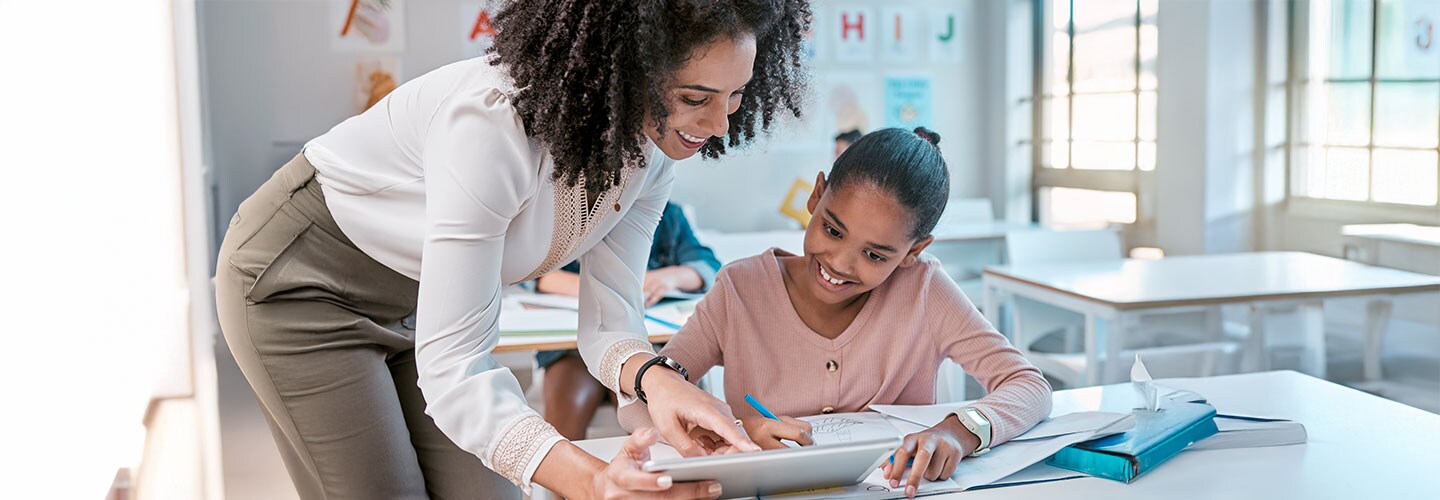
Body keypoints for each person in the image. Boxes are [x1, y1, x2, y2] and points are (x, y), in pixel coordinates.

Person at [213, 1, 811, 499]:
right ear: (625, 68)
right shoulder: (492, 126)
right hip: (301, 284)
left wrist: (659, 380)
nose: (719, 125)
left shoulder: (650, 156)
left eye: (735, 96)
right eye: (696, 97)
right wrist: (595, 482)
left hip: (411, 300)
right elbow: (454, 373)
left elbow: (608, 323)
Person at [620, 128, 1053, 498]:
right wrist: (734, 430)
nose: (842, 264)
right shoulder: (741, 290)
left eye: (875, 254)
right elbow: (640, 405)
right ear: (816, 194)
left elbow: (1029, 385)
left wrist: (960, 430)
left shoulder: (924, 289)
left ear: (913, 251)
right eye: (832, 229)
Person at [535, 202, 722, 440]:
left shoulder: (669, 215)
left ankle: (659, 471)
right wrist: (599, 290)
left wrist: (668, 277)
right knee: (568, 407)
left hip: (646, 345)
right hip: (571, 350)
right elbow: (535, 275)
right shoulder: (565, 212)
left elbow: (707, 266)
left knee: (648, 412)